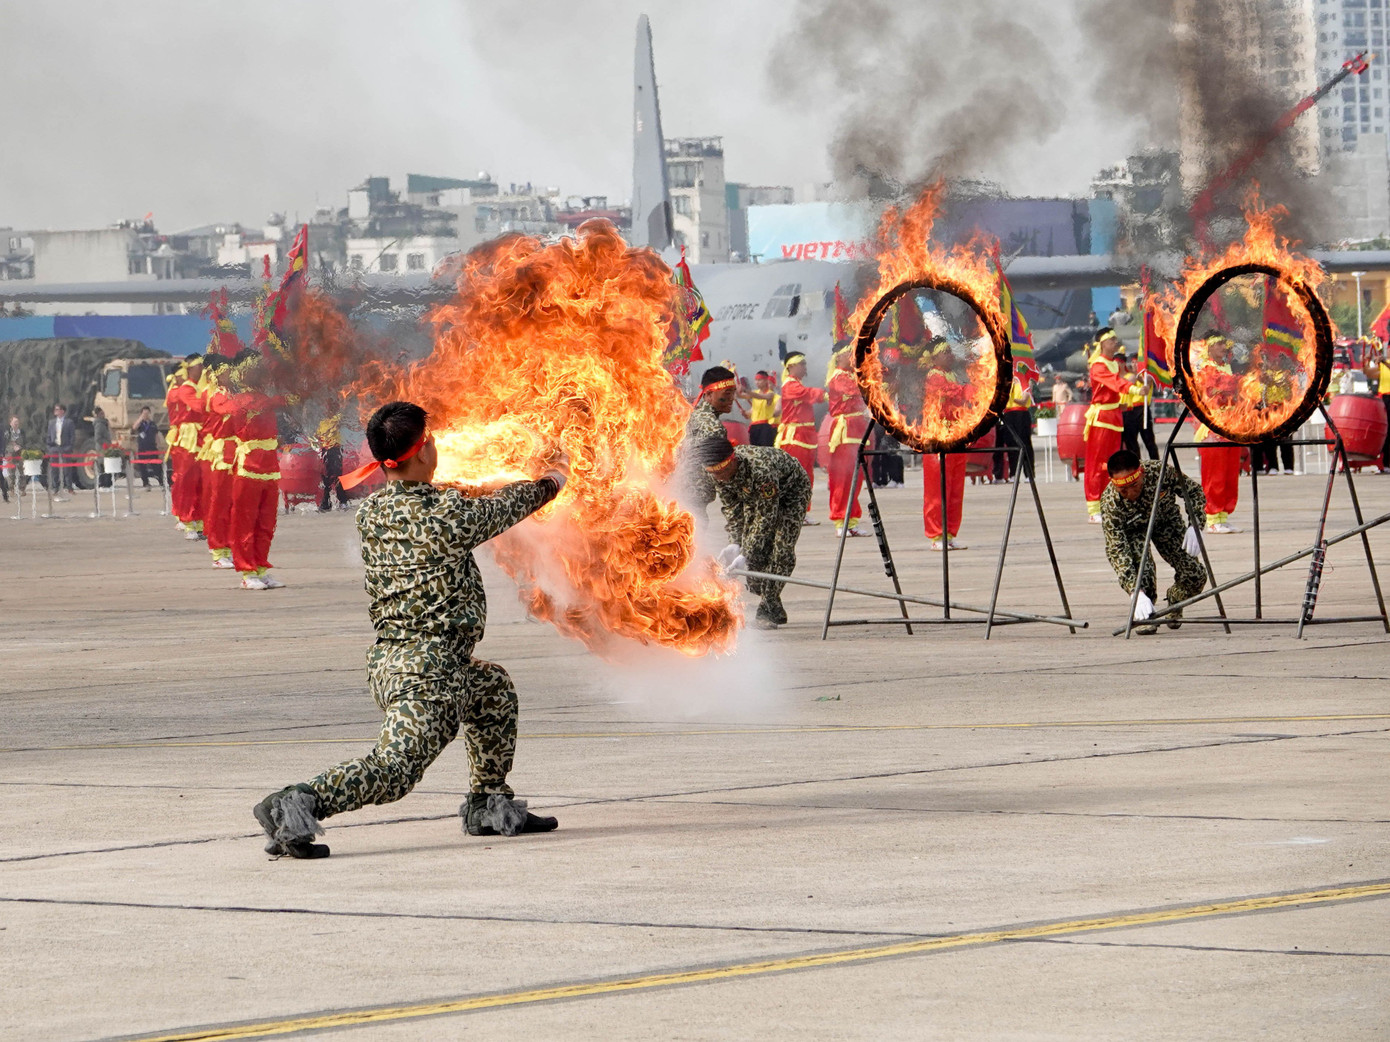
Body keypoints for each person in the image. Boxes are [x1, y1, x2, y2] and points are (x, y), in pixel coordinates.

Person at [252, 401, 566, 859]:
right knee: (395, 771)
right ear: (420, 453)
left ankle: (489, 804)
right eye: (432, 439)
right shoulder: (446, 516)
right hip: (426, 674)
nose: (438, 445)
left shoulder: (373, 512)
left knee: (493, 690)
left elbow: (441, 499)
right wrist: (554, 481)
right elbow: (504, 506)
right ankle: (295, 804)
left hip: (411, 661)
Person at [698, 430, 812, 629]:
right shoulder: (717, 474)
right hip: (753, 495)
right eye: (713, 473)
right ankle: (772, 601)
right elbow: (732, 508)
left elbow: (766, 516)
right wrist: (735, 542)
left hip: (791, 493)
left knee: (781, 548)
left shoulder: (760, 469)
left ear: (731, 460)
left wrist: (746, 554)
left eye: (721, 471)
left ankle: (767, 608)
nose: (719, 477)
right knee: (755, 555)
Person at [1100, 448, 1207, 635]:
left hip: (1166, 522)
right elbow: (1116, 549)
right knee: (1144, 575)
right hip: (1134, 532)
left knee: (1195, 575)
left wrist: (1196, 524)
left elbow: (1193, 491)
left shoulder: (1159, 472)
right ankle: (1145, 612)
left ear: (1141, 472)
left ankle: (1175, 599)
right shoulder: (1111, 503)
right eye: (1123, 490)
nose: (1130, 493)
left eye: (1134, 484)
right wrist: (1135, 592)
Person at [218, 355, 286, 590]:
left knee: (266, 523)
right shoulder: (240, 402)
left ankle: (261, 568)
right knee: (245, 522)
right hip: (248, 469)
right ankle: (247, 572)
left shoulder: (265, 399)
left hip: (270, 468)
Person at [921, 338, 971, 550]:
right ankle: (936, 535)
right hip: (938, 438)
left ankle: (949, 533)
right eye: (946, 352)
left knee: (954, 489)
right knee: (938, 489)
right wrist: (974, 389)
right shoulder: (934, 377)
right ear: (935, 357)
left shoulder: (951, 375)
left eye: (950, 351)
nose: (951, 355)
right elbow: (954, 392)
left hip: (955, 436)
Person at [1193, 332, 1242, 534]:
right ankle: (1212, 518)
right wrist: (1246, 381)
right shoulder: (1204, 368)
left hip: (1231, 425)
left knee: (1230, 474)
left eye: (1225, 343)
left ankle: (1223, 515)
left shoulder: (1227, 367)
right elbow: (1222, 385)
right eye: (1220, 344)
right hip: (1213, 427)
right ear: (1210, 347)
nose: (1224, 347)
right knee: (1215, 475)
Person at [1083, 330, 1132, 523]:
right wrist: (1132, 388)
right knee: (1096, 464)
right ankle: (1094, 507)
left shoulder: (1114, 364)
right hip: (1101, 418)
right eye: (1111, 339)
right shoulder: (1098, 365)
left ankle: (1107, 503)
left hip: (1114, 417)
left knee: (1111, 464)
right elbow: (1114, 383)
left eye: (1115, 339)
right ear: (1102, 344)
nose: (1115, 342)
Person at [774, 352, 825, 521]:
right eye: (801, 364)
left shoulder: (796, 384)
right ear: (791, 367)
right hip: (794, 438)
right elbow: (807, 394)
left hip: (806, 436)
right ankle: (790, 512)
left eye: (805, 363)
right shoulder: (790, 385)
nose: (805, 367)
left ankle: (801, 512)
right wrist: (825, 395)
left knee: (807, 476)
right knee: (795, 477)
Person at [681, 365, 737, 514]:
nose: (732, 398)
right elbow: (720, 473)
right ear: (709, 395)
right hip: (694, 499)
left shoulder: (693, 414)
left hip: (679, 492)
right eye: (727, 393)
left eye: (733, 392)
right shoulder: (713, 427)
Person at [825, 345, 869, 534]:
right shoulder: (838, 377)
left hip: (858, 426)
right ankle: (840, 519)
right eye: (848, 354)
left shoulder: (852, 375)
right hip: (845, 429)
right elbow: (856, 391)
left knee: (856, 476)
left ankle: (851, 520)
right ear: (839, 357)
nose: (852, 357)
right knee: (843, 477)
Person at [166, 355, 207, 540]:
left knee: (202, 483)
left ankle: (200, 523)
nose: (203, 369)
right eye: (199, 366)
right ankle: (187, 521)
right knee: (188, 482)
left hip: (202, 438)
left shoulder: (202, 387)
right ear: (190, 369)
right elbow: (201, 407)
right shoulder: (185, 390)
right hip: (187, 441)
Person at [998, 373, 1034, 482]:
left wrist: (1011, 398)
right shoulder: (1007, 383)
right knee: (1011, 443)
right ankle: (1013, 474)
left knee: (1025, 443)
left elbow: (1024, 400)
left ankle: (1029, 474)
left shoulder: (1027, 382)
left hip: (1021, 414)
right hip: (1009, 414)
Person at [317, 416, 349, 511]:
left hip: (335, 451)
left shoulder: (338, 419)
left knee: (337, 477)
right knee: (326, 478)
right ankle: (326, 502)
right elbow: (319, 437)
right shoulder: (322, 423)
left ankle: (342, 501)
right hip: (325, 451)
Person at [46, 403, 76, 496]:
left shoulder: (69, 422)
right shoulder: (51, 422)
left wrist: (69, 447)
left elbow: (72, 436)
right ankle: (55, 487)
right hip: (54, 448)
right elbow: (48, 436)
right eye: (55, 409)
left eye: (58, 409)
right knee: (54, 469)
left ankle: (69, 487)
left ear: (62, 411)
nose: (56, 411)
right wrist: (50, 447)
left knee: (67, 469)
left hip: (65, 448)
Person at [132, 406, 163, 489]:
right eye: (144, 413)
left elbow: (156, 435)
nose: (146, 415)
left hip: (152, 447)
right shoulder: (141, 423)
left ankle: (161, 481)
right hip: (143, 447)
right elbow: (134, 427)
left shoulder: (152, 424)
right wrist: (141, 418)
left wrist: (159, 445)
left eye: (147, 413)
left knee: (156, 465)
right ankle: (146, 483)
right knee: (143, 466)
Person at [746, 370, 779, 447]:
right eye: (756, 380)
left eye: (759, 380)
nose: (757, 382)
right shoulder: (754, 393)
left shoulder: (772, 395)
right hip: (754, 426)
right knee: (755, 449)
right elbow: (751, 410)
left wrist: (747, 391)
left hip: (767, 426)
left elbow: (761, 397)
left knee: (766, 449)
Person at [92, 406, 114, 489]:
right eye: (101, 413)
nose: (103, 415)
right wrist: (106, 444)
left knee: (107, 466)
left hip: (106, 448)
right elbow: (97, 438)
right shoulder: (99, 425)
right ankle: (103, 484)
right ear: (98, 415)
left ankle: (108, 483)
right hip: (102, 449)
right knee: (103, 467)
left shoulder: (104, 423)